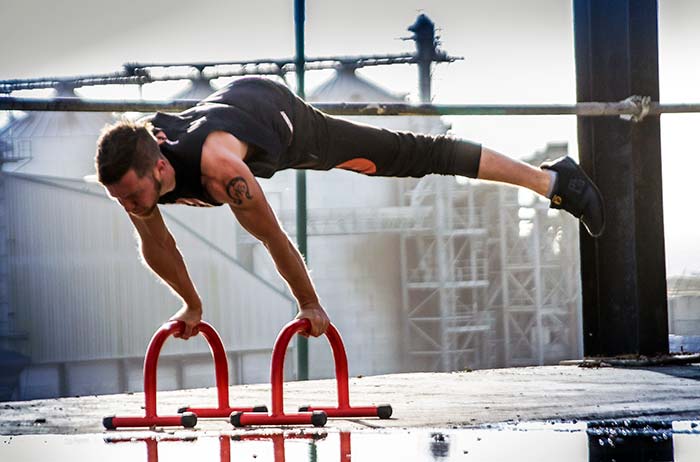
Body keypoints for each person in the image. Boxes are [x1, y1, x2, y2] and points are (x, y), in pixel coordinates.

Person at [95, 77, 604, 340]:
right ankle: (553, 178)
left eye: (134, 196)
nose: (132, 207)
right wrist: (192, 304)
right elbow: (156, 242)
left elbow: (271, 237)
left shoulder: (221, 171)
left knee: (411, 155)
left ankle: (554, 181)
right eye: (122, 199)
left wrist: (310, 304)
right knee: (146, 220)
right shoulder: (134, 163)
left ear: (160, 168)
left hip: (279, 119)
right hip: (225, 108)